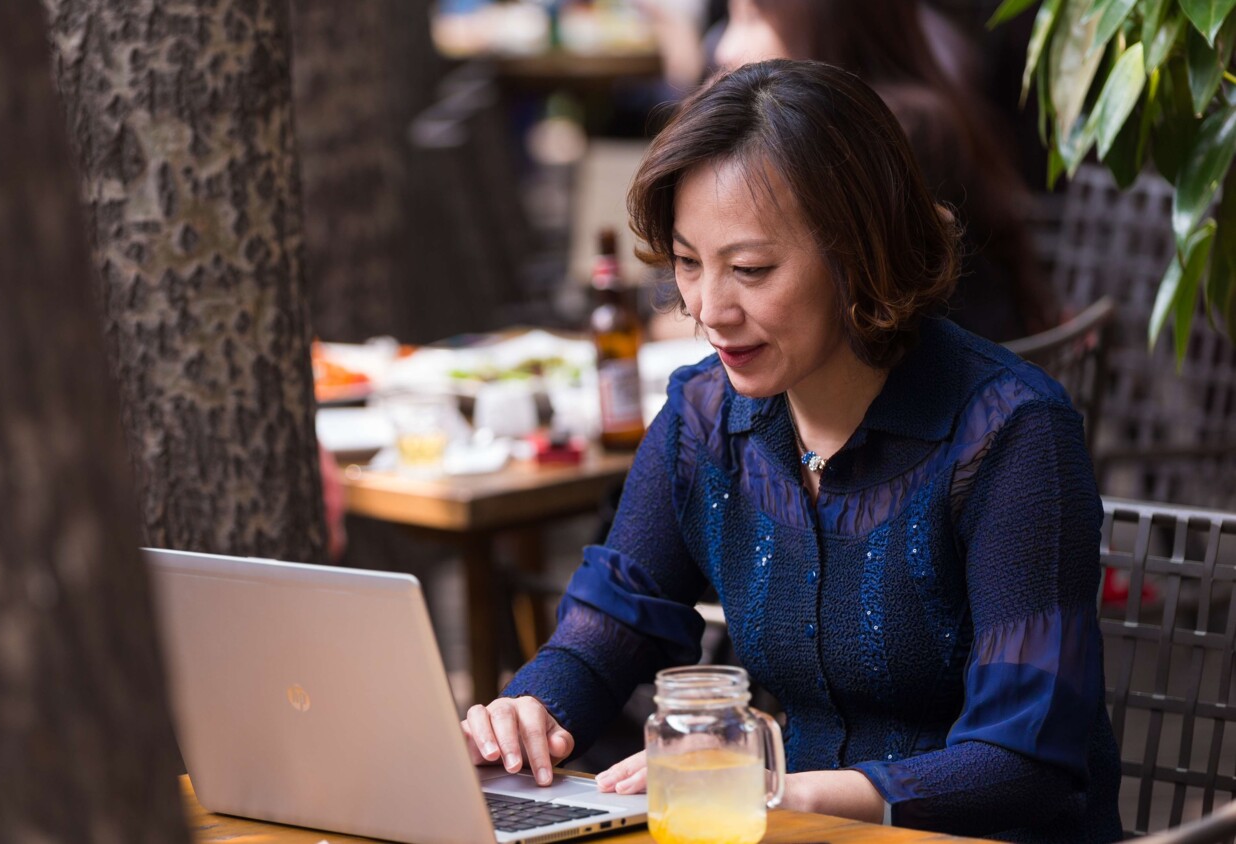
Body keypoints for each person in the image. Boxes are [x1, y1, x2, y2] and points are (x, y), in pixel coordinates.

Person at [460, 60, 1121, 842]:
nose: (708, 308)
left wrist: (783, 790)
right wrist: (533, 710)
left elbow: (1024, 765)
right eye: (686, 262)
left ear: (859, 255)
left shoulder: (1009, 434)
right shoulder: (706, 419)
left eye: (750, 269)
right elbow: (614, 623)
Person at [640, 0, 1053, 342]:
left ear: (829, 22)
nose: (726, 47)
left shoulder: (882, 139)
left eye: (755, 18)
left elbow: (863, 328)